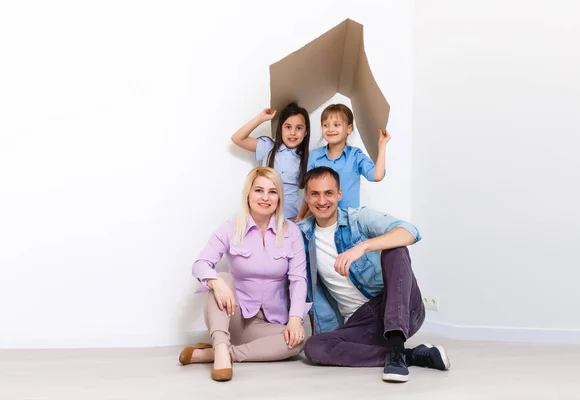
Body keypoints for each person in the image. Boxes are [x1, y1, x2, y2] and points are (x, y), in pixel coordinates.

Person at [297, 166, 450, 382]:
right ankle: (409, 355)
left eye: (329, 193)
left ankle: (396, 345)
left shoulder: (357, 219)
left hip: (398, 309)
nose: (322, 201)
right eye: (315, 194)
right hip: (359, 325)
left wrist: (364, 247)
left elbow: (410, 231)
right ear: (306, 196)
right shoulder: (301, 234)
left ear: (339, 194)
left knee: (396, 249)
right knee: (314, 347)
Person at [178, 167, 309, 382]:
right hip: (233, 318)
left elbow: (298, 280)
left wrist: (294, 320)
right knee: (222, 278)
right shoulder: (230, 228)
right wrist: (216, 283)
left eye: (272, 192)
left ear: (279, 198)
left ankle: (222, 353)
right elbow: (200, 264)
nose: (265, 198)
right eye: (259, 190)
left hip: (267, 324)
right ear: (248, 194)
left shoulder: (291, 232)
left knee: (297, 340)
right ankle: (220, 347)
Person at [296, 103, 390, 220]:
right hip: (320, 221)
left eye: (337, 125)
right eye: (326, 125)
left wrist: (382, 146)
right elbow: (308, 193)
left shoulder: (355, 155)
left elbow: (377, 176)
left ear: (349, 128)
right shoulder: (315, 156)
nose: (330, 129)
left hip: (348, 222)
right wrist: (300, 217)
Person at [231, 102, 311, 221]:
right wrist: (261, 118)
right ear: (280, 129)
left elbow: (313, 193)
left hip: (289, 219)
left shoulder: (307, 159)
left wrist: (303, 218)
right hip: (262, 216)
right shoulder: (268, 148)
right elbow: (237, 138)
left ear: (305, 132)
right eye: (288, 127)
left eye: (299, 128)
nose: (293, 132)